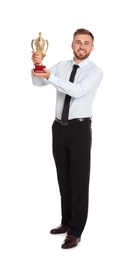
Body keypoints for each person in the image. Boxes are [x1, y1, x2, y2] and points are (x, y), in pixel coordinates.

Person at [31, 28, 103, 249]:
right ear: (72, 45)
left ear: (92, 47)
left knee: (80, 180)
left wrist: (50, 76)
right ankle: (66, 221)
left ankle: (76, 230)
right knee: (63, 178)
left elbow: (77, 90)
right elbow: (38, 83)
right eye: (78, 42)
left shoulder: (95, 71)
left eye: (86, 43)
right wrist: (37, 65)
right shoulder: (62, 66)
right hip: (58, 127)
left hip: (80, 129)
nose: (82, 46)